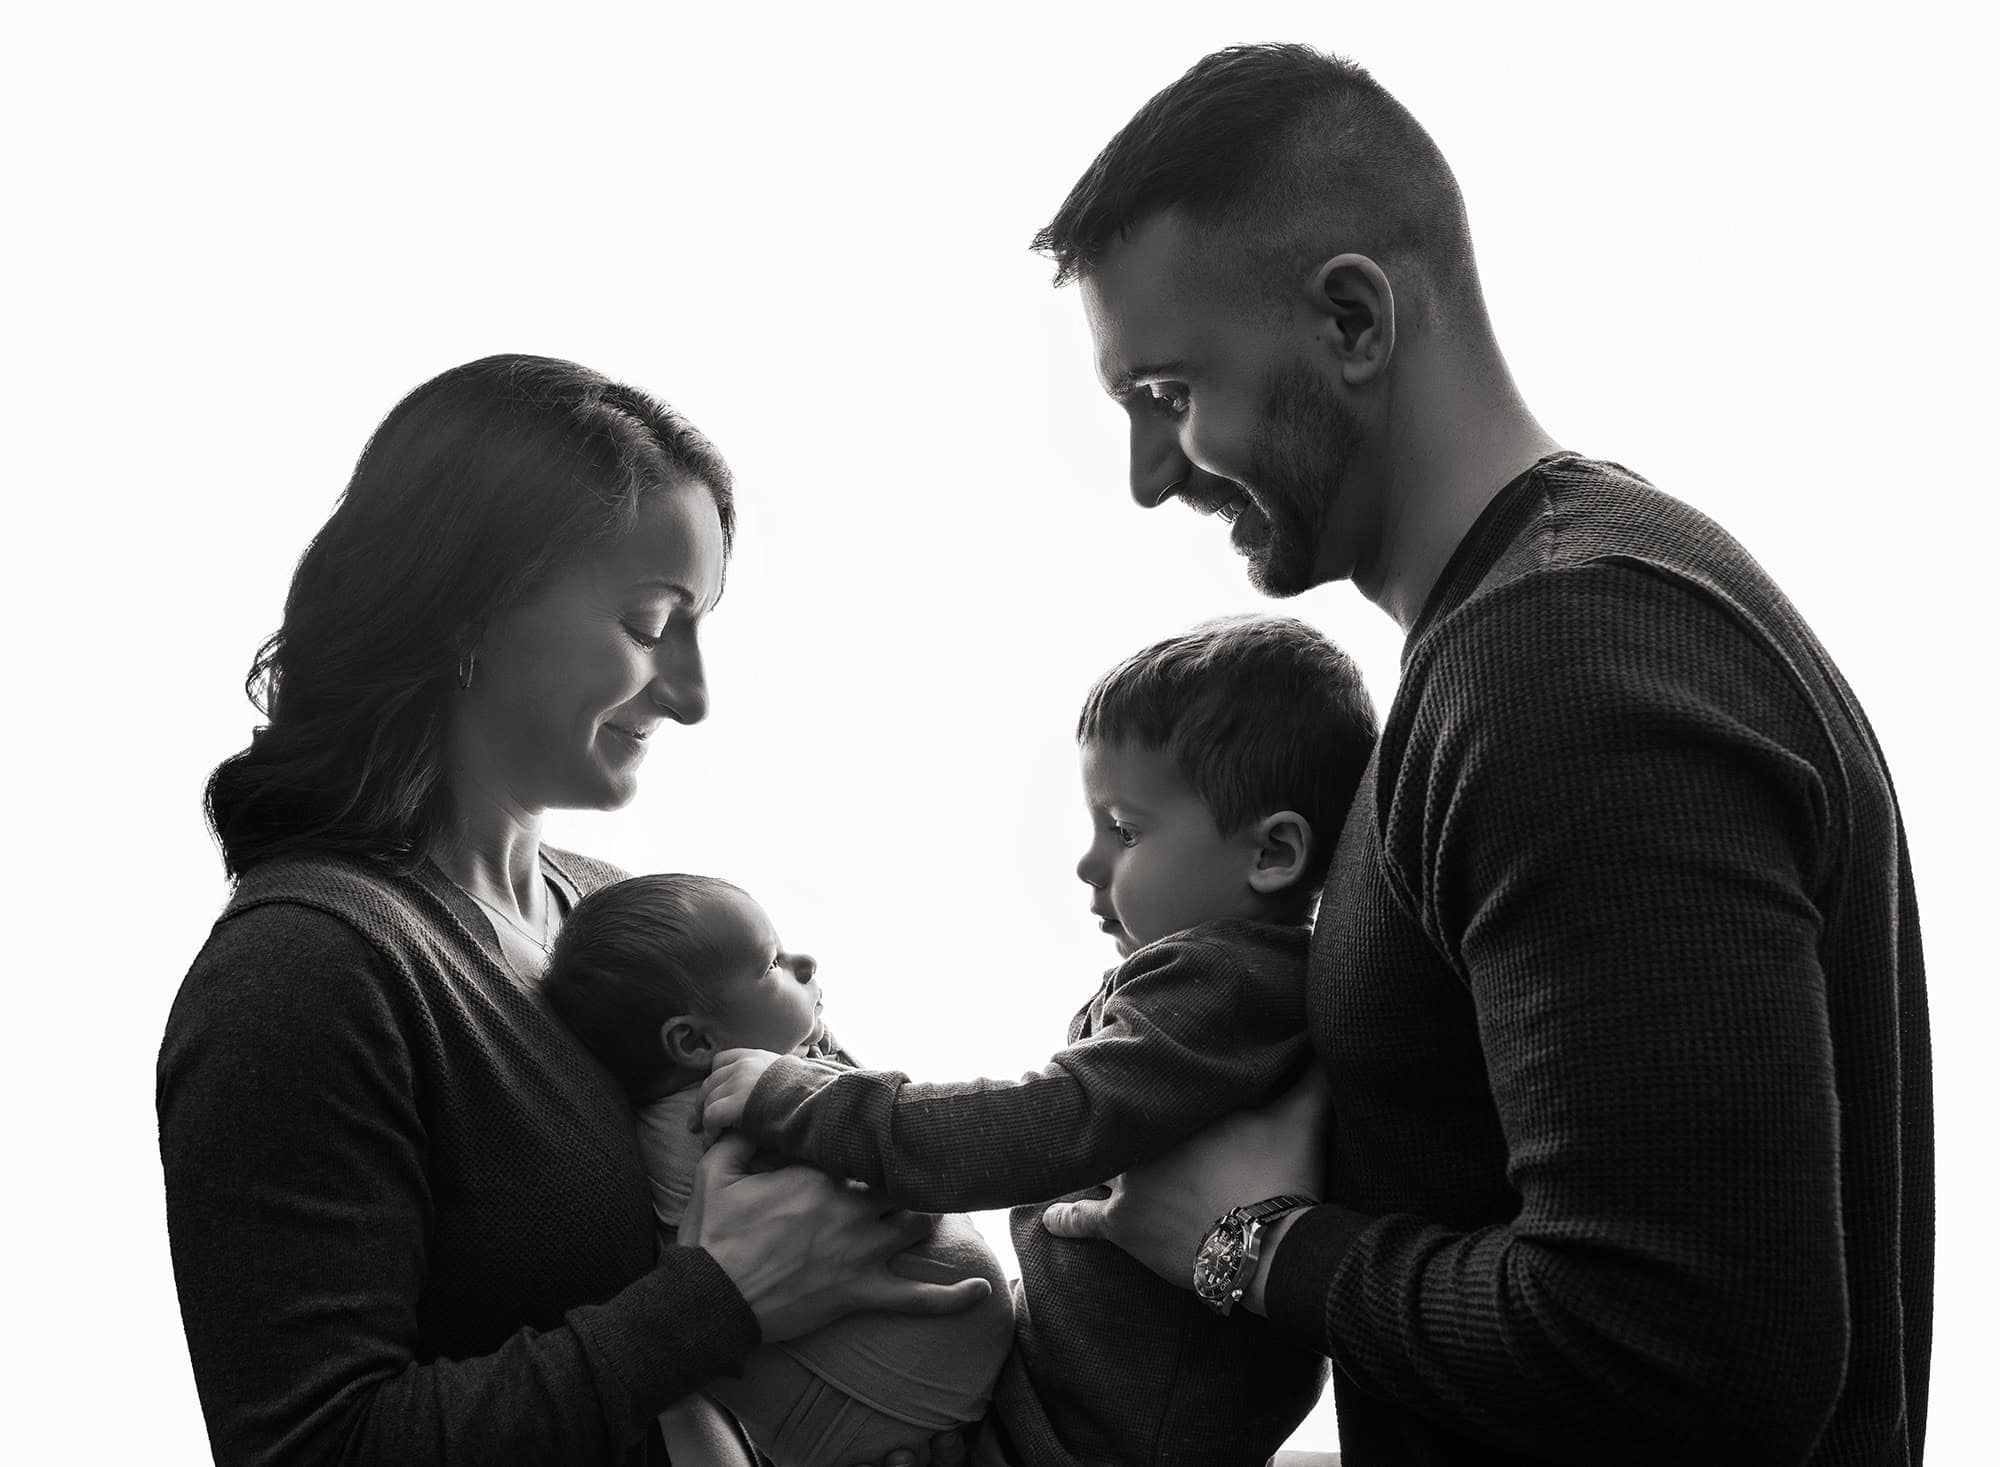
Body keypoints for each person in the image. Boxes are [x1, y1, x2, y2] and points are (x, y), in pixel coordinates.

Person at [1026, 43, 1933, 1466]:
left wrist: (1245, 1241)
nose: (1152, 474)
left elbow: (1689, 1351)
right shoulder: (1530, 637)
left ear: (1352, 320)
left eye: (1168, 391)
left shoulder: (1567, 663)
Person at [156, 354, 989, 1467]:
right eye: (652, 624)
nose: (693, 696)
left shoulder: (610, 912)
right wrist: (715, 1303)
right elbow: (313, 1449)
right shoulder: (306, 973)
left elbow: (851, 1142)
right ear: (470, 611)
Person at [698, 616, 1379, 1467]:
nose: (1089, 862)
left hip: (1097, 1439)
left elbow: (1050, 1122)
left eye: (1125, 830)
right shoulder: (1223, 982)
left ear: (1273, 852)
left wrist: (806, 1100)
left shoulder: (1227, 981)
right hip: (1071, 1400)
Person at [543, 873, 1017, 1466]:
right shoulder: (717, 1116)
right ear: (692, 1042)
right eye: (772, 963)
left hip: (930, 1416)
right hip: (872, 1426)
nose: (806, 961)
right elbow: (907, 1147)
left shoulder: (742, 1087)